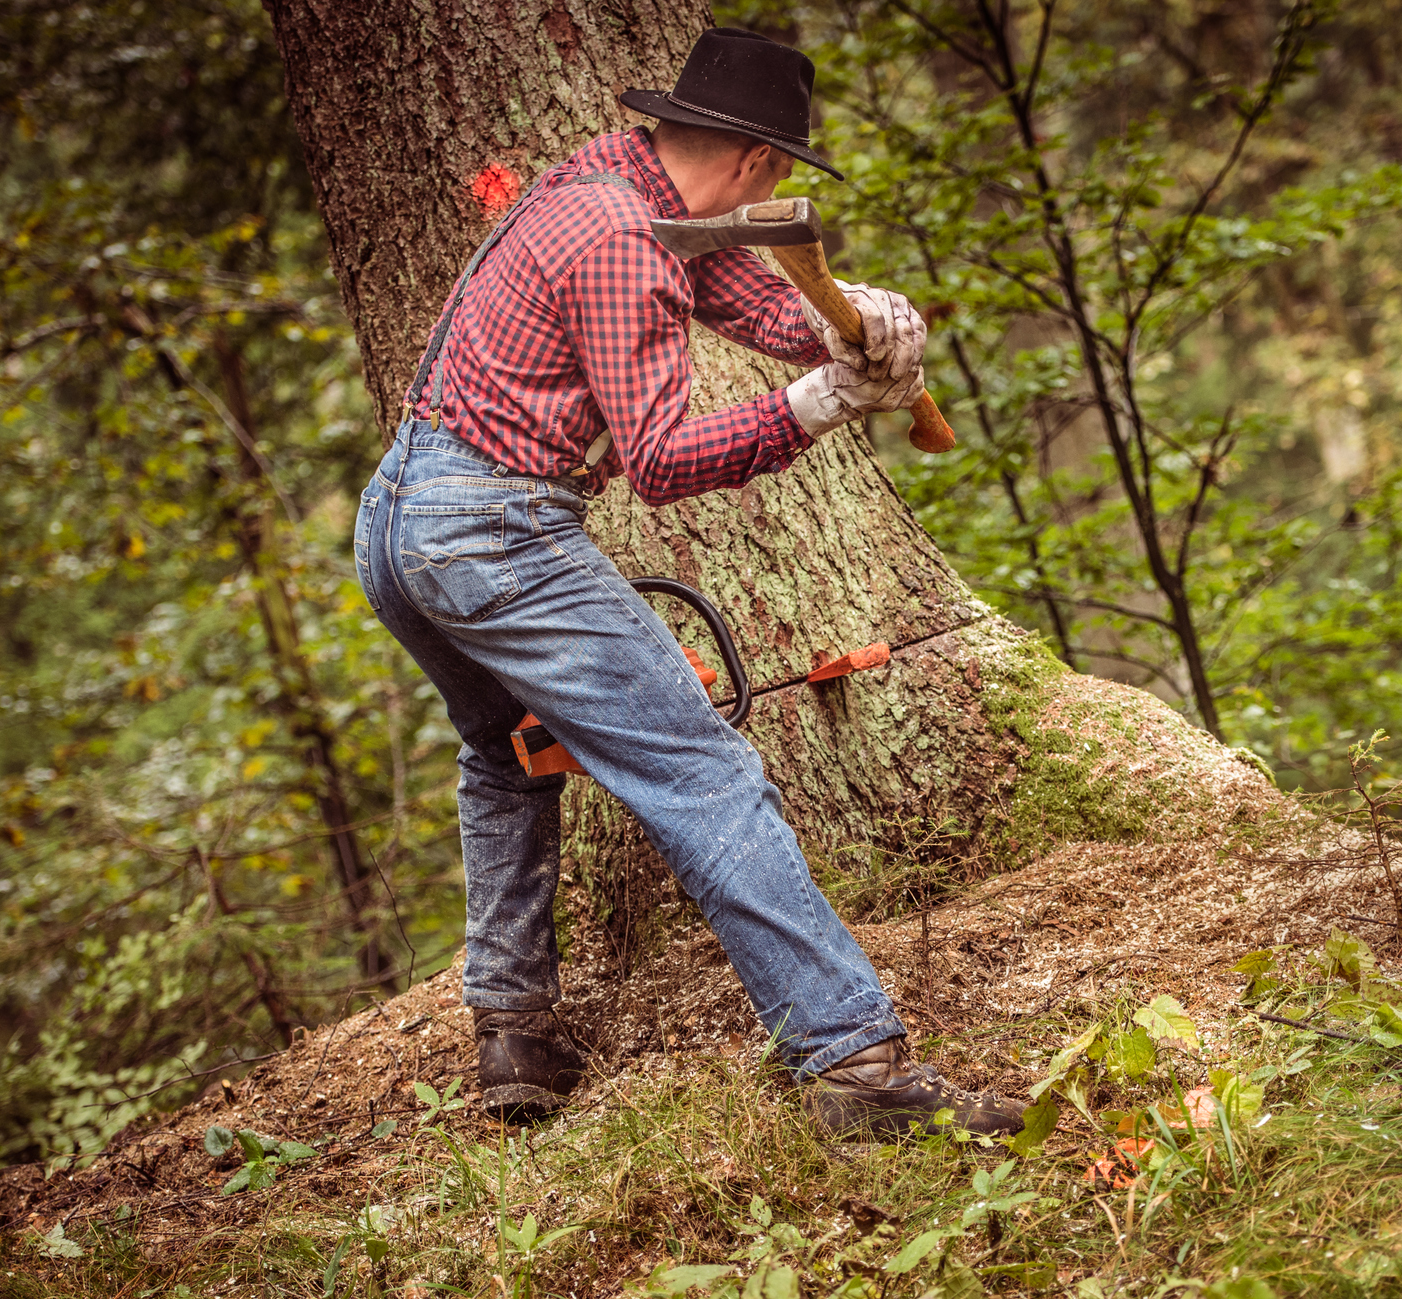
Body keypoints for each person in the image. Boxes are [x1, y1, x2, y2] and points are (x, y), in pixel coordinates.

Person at [351, 27, 1024, 1140]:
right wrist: (819, 404)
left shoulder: (610, 177)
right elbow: (660, 463)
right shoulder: (622, 240)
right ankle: (853, 1065)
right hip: (491, 533)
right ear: (764, 162)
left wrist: (841, 319)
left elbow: (721, 281)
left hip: (397, 522)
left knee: (508, 749)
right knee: (704, 773)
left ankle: (513, 1027)